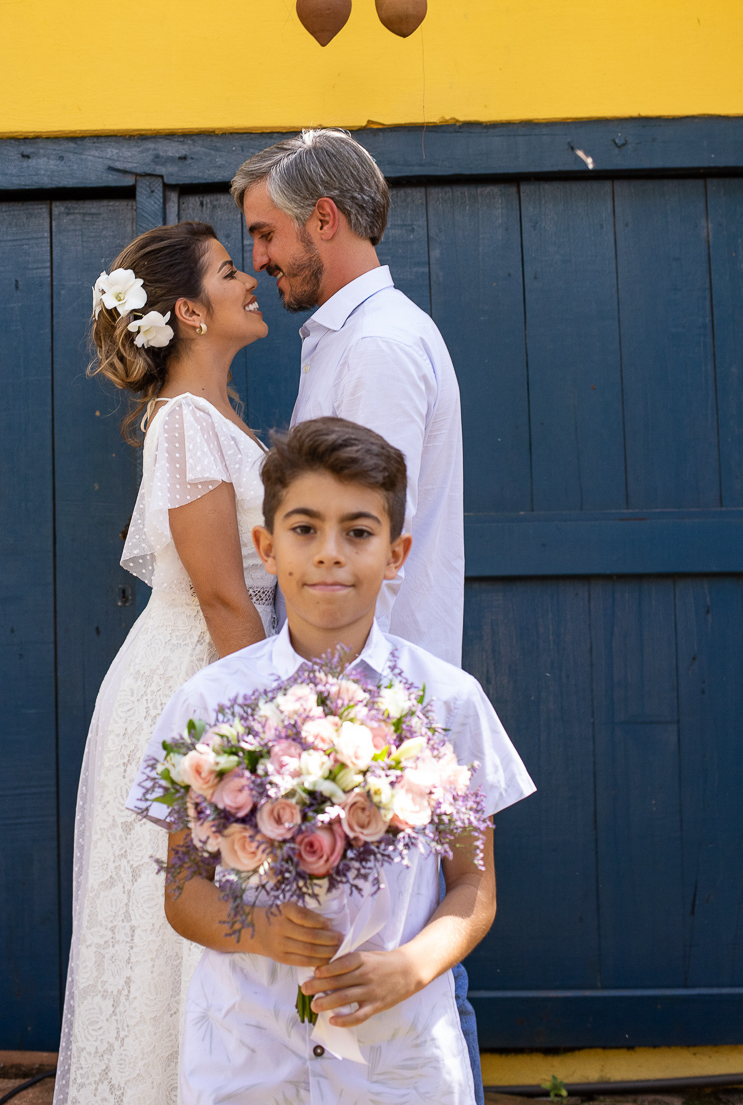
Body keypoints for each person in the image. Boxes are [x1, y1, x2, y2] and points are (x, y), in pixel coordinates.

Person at [128, 418, 535, 1105]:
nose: (329, 554)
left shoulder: (447, 701)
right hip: (249, 1046)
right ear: (267, 544)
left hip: (396, 1054)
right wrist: (260, 930)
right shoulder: (209, 702)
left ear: (396, 552)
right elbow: (183, 893)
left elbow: (474, 886)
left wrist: (412, 965)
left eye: (358, 532)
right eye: (305, 529)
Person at [230, 128, 483, 1085]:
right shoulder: (352, 334)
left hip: (373, 704)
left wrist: (316, 707)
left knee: (412, 975)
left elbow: (347, 546)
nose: (259, 259)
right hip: (357, 698)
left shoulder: (375, 346)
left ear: (322, 222)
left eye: (266, 235)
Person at [54, 221, 277, 1105]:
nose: (251, 278)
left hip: (218, 664)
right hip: (200, 682)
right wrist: (280, 734)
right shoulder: (187, 422)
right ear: (189, 311)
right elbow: (224, 595)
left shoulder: (215, 417)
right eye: (231, 271)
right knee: (182, 928)